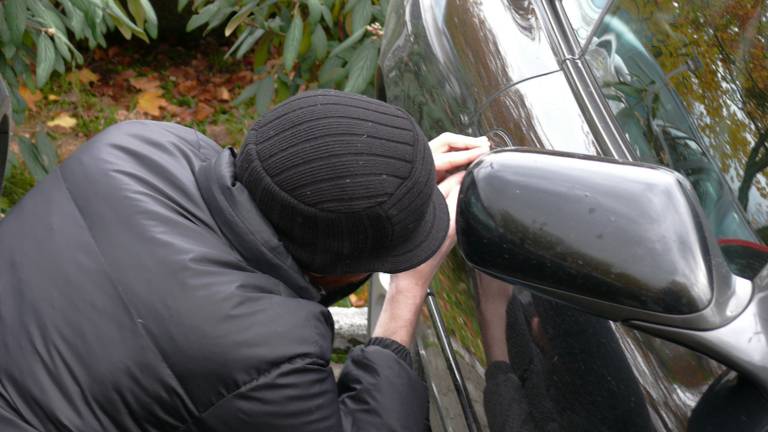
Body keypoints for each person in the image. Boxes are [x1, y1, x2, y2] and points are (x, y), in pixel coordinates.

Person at [0, 89, 489, 431]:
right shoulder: (266, 354)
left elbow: (287, 243)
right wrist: (406, 290)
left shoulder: (141, 144)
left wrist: (385, 185)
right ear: (343, 268)